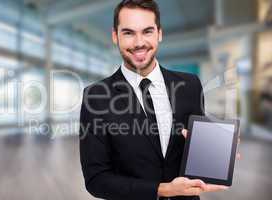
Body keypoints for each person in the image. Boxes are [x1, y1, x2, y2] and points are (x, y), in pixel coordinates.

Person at [79, 1, 229, 199]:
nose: (139, 42)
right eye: (128, 33)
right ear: (115, 36)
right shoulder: (96, 96)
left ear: (159, 33)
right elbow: (96, 180)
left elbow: (194, 148)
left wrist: (218, 151)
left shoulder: (190, 85)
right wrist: (162, 190)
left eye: (147, 31)